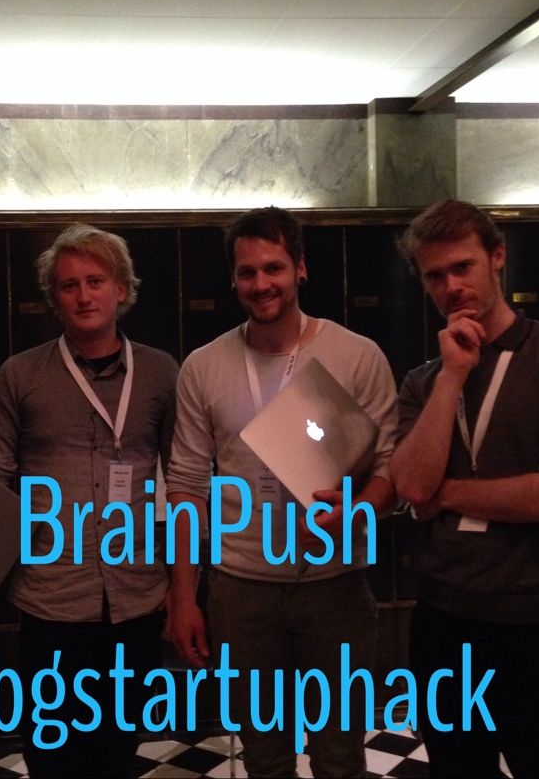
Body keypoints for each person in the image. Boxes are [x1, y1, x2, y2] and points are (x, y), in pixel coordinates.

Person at [165, 206, 397, 778]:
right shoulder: (203, 367)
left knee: (339, 755)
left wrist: (359, 510)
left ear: (300, 268)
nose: (261, 283)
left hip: (335, 585)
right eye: (247, 272)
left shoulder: (357, 356)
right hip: (240, 589)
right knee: (264, 757)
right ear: (233, 279)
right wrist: (183, 595)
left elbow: (390, 468)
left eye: (274, 268)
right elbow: (187, 487)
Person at [0, 224, 178, 778]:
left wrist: (186, 587)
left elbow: (185, 478)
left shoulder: (161, 373)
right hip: (50, 597)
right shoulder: (20, 375)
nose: (84, 295)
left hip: (137, 595)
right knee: (52, 753)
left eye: (96, 281)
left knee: (119, 748)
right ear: (54, 296)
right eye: (69, 285)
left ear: (122, 289)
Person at [390, 199, 539, 778]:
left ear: (497, 257)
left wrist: (445, 495)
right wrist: (452, 375)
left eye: (462, 267)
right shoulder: (424, 380)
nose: (451, 287)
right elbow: (411, 484)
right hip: (445, 620)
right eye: (435, 276)